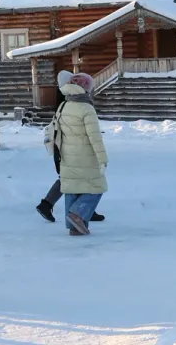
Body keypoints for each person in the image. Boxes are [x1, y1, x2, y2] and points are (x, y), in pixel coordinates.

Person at [53, 71, 108, 237]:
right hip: (86, 156)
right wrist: (103, 158)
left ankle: (74, 227)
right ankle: (77, 214)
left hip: (67, 155)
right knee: (97, 187)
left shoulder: (63, 105)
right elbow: (95, 137)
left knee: (72, 188)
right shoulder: (86, 108)